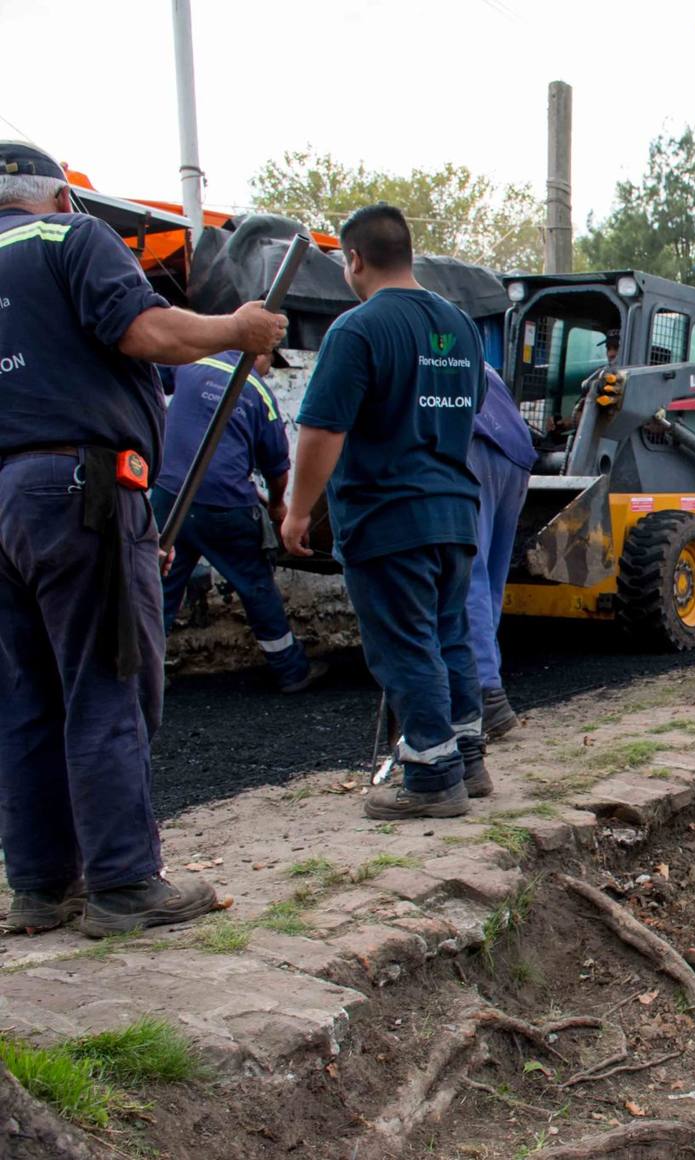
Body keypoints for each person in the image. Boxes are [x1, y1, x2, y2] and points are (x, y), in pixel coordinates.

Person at [0, 141, 285, 937]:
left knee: (26, 696)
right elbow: (145, 330)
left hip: (6, 504)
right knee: (108, 681)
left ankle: (39, 888)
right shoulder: (69, 239)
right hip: (79, 487)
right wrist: (236, 325)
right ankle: (124, 883)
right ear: (58, 196)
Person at [281, 203, 489, 820]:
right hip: (454, 512)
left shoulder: (357, 329)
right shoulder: (461, 325)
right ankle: (468, 762)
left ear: (354, 259)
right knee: (449, 634)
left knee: (405, 646)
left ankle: (430, 780)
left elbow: (321, 430)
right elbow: (468, 408)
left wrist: (297, 512)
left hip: (389, 517)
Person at [153, 351, 326, 693]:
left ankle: (141, 676)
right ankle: (291, 671)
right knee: (255, 583)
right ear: (261, 352)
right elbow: (278, 470)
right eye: (268, 364)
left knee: (159, 585)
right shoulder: (259, 393)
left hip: (169, 494)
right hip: (225, 505)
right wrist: (278, 509)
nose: (267, 371)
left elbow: (151, 377)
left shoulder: (191, 360)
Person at [468, 364, 534, 737]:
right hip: (515, 453)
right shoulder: (474, 351)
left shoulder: (379, 331)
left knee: (468, 577)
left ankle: (487, 697)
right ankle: (487, 681)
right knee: (489, 581)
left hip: (473, 445)